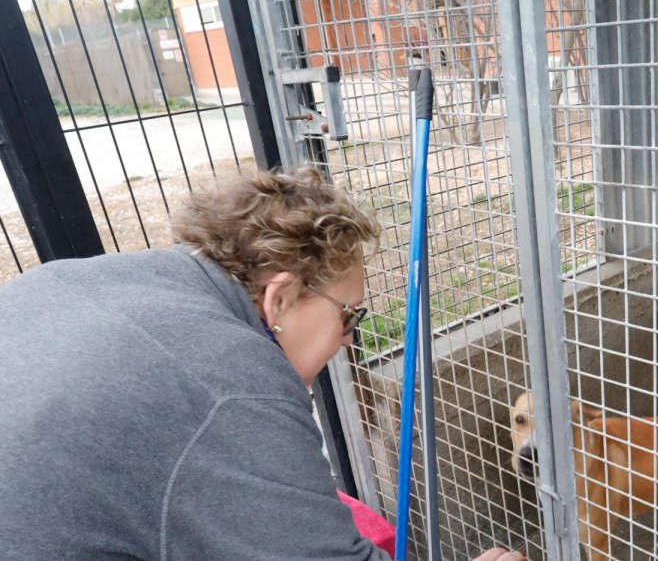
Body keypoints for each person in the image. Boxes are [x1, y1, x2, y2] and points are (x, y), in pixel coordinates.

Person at [0, 168, 522, 561]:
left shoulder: (72, 278)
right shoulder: (232, 384)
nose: (346, 340)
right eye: (349, 315)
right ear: (280, 299)